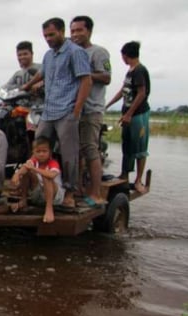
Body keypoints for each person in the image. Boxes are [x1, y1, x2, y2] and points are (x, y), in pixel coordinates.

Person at [21, 17, 92, 209]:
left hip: (66, 111)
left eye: (52, 34)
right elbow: (41, 74)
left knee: (69, 154)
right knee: (38, 146)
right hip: (48, 110)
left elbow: (86, 81)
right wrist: (25, 87)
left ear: (62, 32)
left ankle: (69, 192)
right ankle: (36, 185)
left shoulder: (75, 52)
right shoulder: (48, 55)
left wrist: (76, 111)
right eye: (45, 36)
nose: (48, 39)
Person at [70, 15, 111, 207]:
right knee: (75, 150)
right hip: (73, 108)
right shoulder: (72, 52)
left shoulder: (98, 52)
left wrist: (85, 74)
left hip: (91, 109)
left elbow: (106, 76)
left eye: (79, 30)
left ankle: (96, 193)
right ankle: (77, 188)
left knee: (90, 148)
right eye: (73, 31)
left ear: (89, 31)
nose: (76, 34)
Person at [106, 41, 151, 194]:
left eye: (122, 56)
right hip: (128, 114)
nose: (122, 59)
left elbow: (141, 93)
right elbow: (123, 91)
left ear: (125, 55)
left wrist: (129, 114)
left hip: (138, 115)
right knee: (127, 145)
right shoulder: (130, 71)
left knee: (139, 148)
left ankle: (138, 179)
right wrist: (108, 105)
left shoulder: (139, 70)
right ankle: (124, 175)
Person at [10, 136, 65, 223]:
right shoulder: (34, 160)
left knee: (46, 176)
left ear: (50, 152)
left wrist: (35, 169)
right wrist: (17, 174)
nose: (41, 154)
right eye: (38, 151)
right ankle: (23, 200)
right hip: (38, 194)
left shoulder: (53, 163)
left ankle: (49, 209)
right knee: (26, 170)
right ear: (33, 152)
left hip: (54, 197)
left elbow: (51, 175)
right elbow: (26, 166)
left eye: (44, 151)